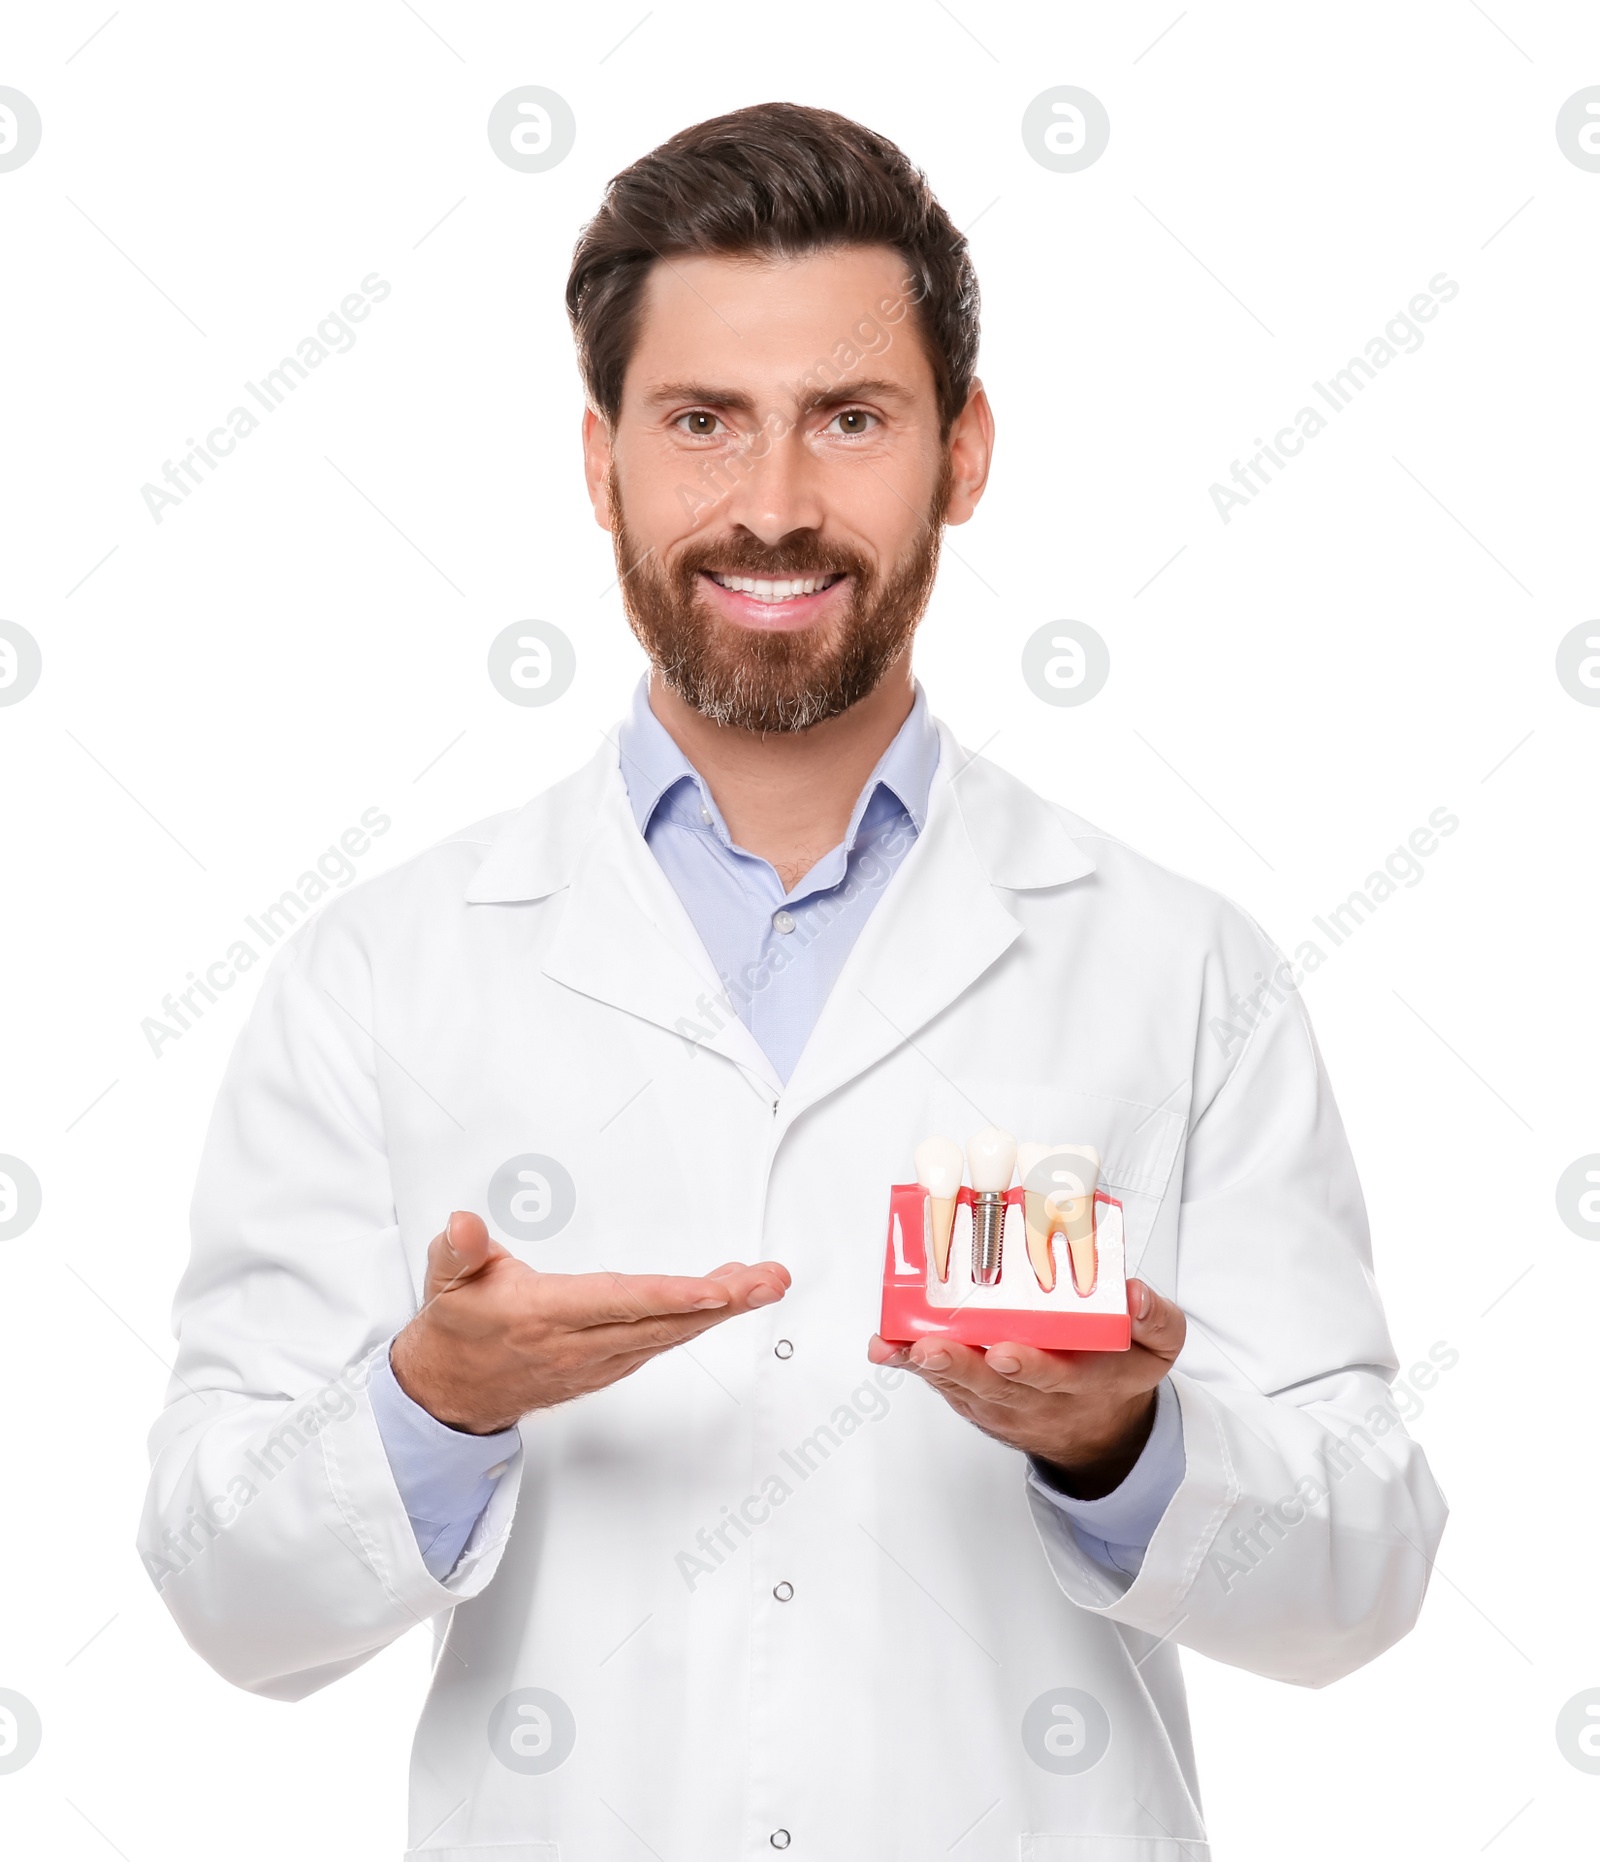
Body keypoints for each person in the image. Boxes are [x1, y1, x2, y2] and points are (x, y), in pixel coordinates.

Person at [140, 101, 1447, 1860]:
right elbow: (229, 1595)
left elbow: (1365, 1570)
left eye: (850, 420)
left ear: (962, 452)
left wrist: (1126, 1443)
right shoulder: (381, 972)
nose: (772, 506)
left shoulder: (1176, 964)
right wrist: (434, 1401)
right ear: (601, 461)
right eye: (701, 423)